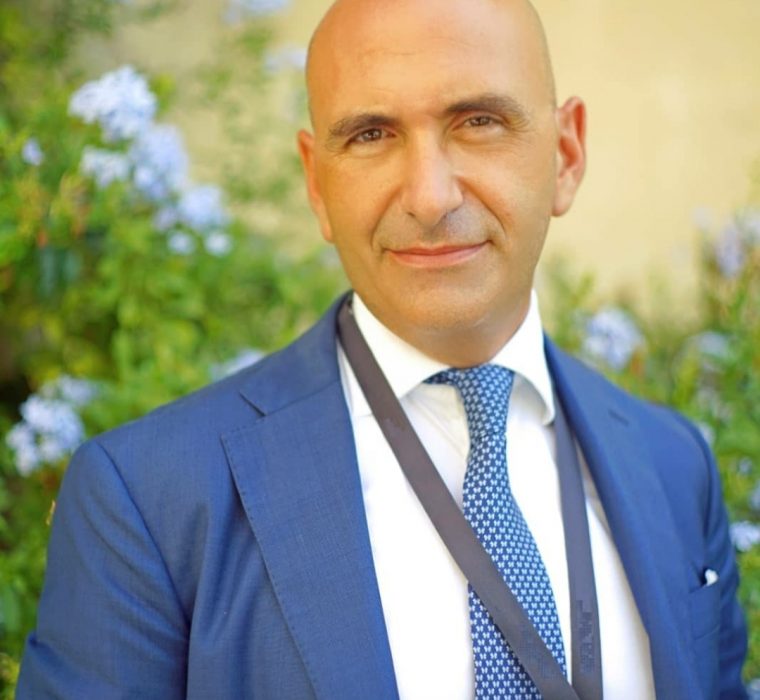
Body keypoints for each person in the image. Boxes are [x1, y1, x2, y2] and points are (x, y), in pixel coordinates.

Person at [17, 0, 748, 698]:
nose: (430, 197)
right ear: (316, 183)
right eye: (371, 135)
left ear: (566, 155)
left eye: (479, 122)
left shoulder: (674, 466)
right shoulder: (151, 500)